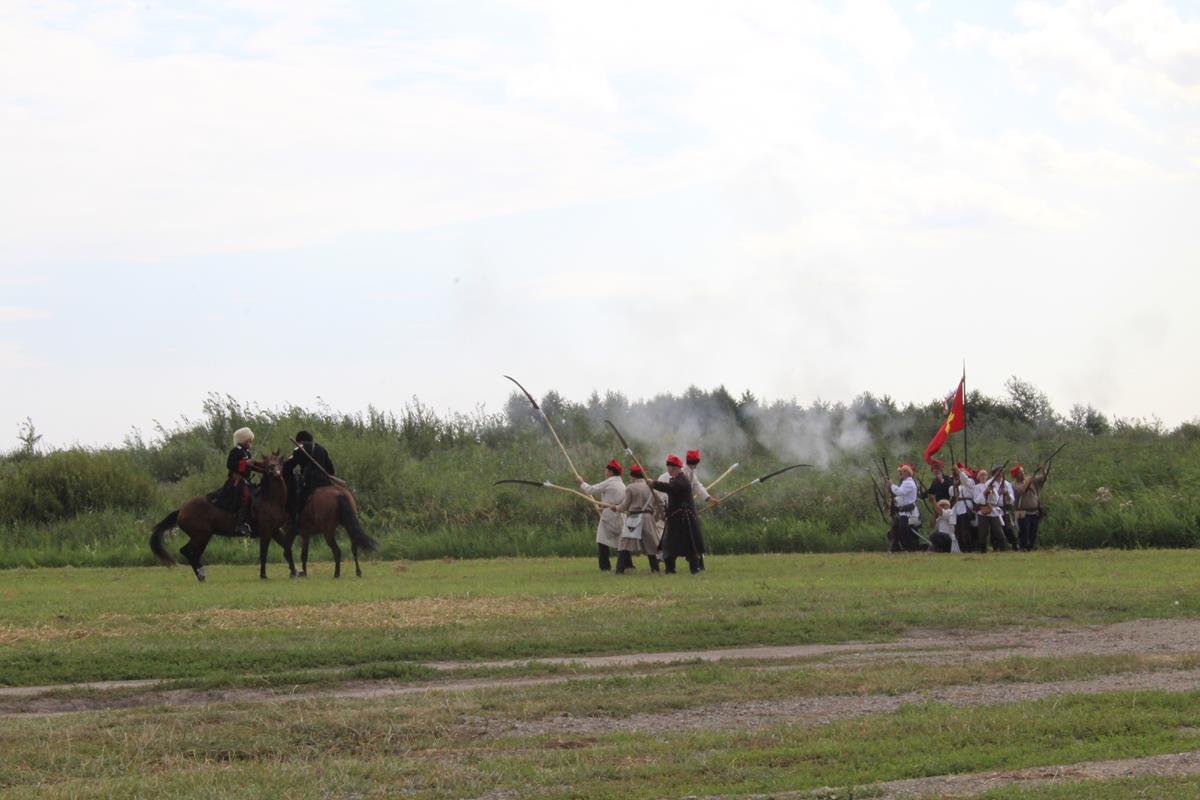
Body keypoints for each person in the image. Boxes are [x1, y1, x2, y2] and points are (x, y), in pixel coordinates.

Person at [650, 454, 704, 575]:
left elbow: (671, 488)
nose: (668, 470)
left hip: (684, 519)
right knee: (669, 545)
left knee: (690, 545)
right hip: (675, 518)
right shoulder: (676, 479)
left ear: (675, 468)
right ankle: (670, 569)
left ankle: (694, 569)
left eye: (670, 468)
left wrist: (654, 484)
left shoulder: (682, 480)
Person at [577, 459, 627, 571]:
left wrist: (581, 482)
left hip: (609, 516)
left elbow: (590, 490)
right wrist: (603, 507)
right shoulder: (622, 484)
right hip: (619, 515)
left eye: (606, 471)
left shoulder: (609, 482)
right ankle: (627, 564)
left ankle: (604, 566)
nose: (605, 473)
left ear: (610, 472)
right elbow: (614, 500)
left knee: (602, 540)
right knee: (622, 542)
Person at [283, 430, 335, 532]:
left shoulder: (300, 448)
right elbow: (331, 470)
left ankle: (295, 521)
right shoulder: (322, 449)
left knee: (295, 498)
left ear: (300, 441)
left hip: (310, 483)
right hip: (325, 483)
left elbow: (288, 466)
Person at [613, 463, 661, 574]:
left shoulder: (630, 487)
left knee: (624, 544)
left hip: (634, 518)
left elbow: (624, 506)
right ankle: (655, 569)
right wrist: (657, 515)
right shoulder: (651, 486)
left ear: (632, 475)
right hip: (648, 517)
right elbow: (660, 502)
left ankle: (619, 570)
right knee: (651, 545)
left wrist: (615, 508)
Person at [683, 449, 718, 570]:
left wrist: (709, 498)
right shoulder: (683, 472)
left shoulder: (691, 472)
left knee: (694, 535)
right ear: (696, 462)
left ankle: (698, 562)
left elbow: (697, 487)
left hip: (687, 507)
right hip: (680, 508)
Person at [224, 427, 256, 536]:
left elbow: (251, 466)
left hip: (246, 480)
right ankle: (240, 524)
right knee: (245, 497)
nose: (250, 441)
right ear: (243, 440)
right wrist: (245, 463)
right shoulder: (235, 451)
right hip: (236, 480)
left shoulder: (247, 452)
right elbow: (230, 464)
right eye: (249, 439)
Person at [1011, 463, 1049, 551]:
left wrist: (1043, 470)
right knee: (1024, 531)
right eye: (1020, 472)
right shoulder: (1014, 484)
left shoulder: (1031, 480)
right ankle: (1023, 547)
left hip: (1034, 511)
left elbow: (1043, 478)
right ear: (1016, 475)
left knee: (1033, 531)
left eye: (1023, 471)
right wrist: (1028, 481)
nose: (1023, 473)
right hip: (1023, 512)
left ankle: (1030, 547)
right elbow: (1021, 490)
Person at [886, 463, 923, 552]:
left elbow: (899, 492)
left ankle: (908, 549)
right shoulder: (906, 482)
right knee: (895, 530)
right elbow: (902, 497)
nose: (901, 473)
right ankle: (896, 548)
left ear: (907, 472)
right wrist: (894, 501)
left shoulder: (909, 483)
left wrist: (891, 485)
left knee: (903, 531)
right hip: (903, 512)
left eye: (902, 471)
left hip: (908, 512)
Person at [973, 467, 1008, 552]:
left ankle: (1003, 549)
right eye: (981, 475)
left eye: (984, 475)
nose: (983, 477)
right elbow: (976, 500)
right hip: (983, 511)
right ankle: (983, 550)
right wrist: (984, 493)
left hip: (993, 510)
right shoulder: (976, 487)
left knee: (998, 530)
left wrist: (992, 492)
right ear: (978, 477)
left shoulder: (991, 486)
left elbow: (996, 500)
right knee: (983, 532)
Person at [951, 464, 977, 552]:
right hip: (959, 509)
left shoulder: (971, 482)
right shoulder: (960, 486)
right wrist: (955, 485)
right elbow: (952, 493)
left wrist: (958, 470)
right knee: (959, 531)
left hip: (965, 508)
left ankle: (969, 549)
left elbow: (964, 480)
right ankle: (962, 549)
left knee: (965, 531)